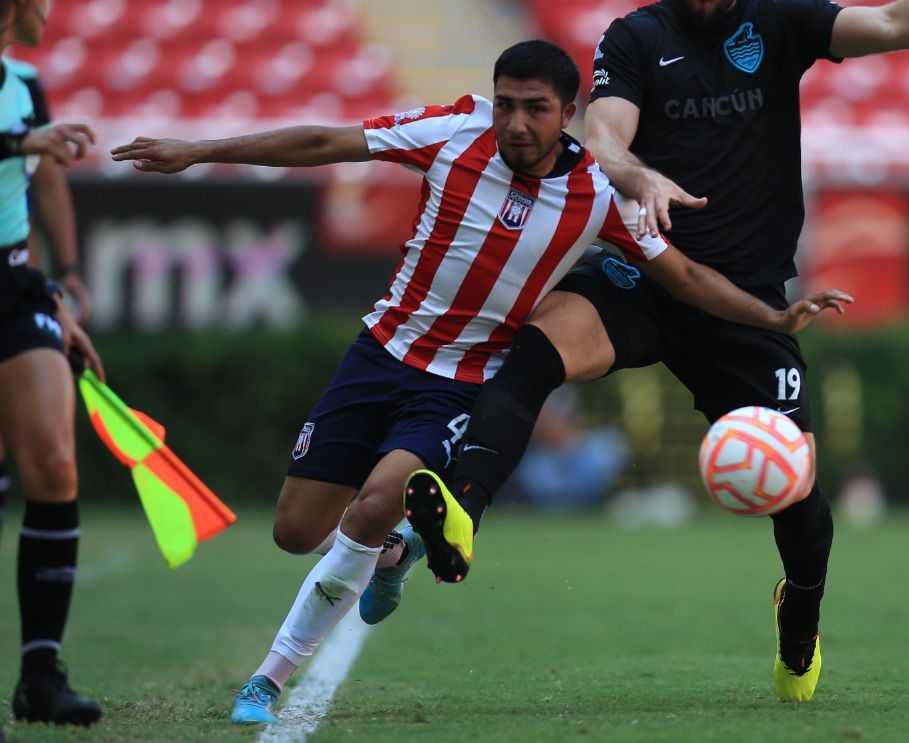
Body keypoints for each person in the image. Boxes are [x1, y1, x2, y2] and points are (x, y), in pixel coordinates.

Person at [110, 39, 849, 725]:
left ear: (570, 115)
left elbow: (682, 276)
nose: (516, 123)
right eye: (506, 103)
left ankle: (268, 677)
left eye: (535, 108)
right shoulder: (453, 131)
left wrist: (773, 317)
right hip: (380, 352)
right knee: (294, 529)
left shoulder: (600, 192)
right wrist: (198, 150)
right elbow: (325, 141)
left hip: (460, 384)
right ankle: (396, 554)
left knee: (375, 503)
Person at [405, 0, 909, 703]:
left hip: (743, 303)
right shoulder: (635, 37)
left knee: (803, 506)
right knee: (540, 343)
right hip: (644, 274)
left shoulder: (781, 24)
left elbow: (895, 22)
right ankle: (462, 512)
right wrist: (635, 174)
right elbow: (604, 133)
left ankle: (798, 615)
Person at [1, 0, 105, 727]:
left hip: (13, 282)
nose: (53, 0)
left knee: (55, 468)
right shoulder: (22, 112)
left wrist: (65, 284)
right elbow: (23, 151)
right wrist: (20, 140)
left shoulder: (24, 81)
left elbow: (45, 181)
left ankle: (41, 676)